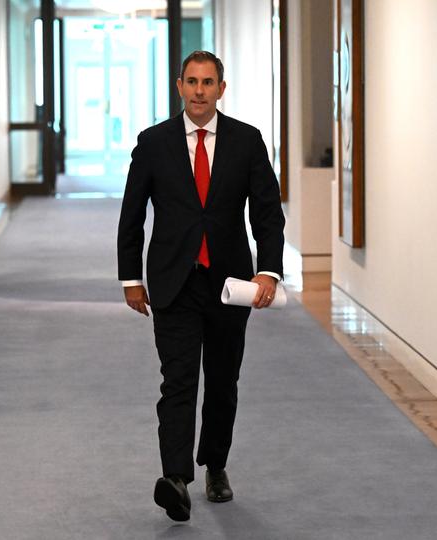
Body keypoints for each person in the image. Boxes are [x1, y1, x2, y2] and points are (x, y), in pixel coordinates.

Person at [116, 51, 285, 522]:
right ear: (179, 86)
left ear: (221, 89)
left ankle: (215, 464)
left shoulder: (247, 142)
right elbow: (132, 217)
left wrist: (268, 270)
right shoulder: (153, 143)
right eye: (191, 82)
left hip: (230, 284)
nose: (198, 91)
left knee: (223, 381)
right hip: (174, 282)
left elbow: (267, 214)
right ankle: (175, 478)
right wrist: (131, 278)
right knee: (178, 380)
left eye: (208, 83)